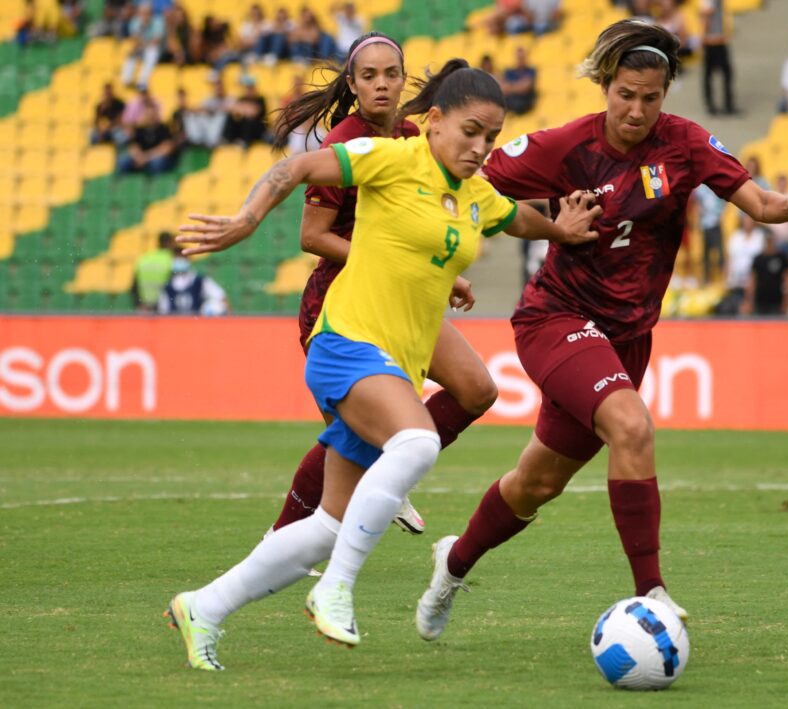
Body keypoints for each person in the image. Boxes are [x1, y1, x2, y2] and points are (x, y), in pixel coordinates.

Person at [413, 20, 788, 644]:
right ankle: (653, 596)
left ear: (665, 94)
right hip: (556, 317)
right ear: (605, 86)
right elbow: (469, 182)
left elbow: (757, 201)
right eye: (625, 94)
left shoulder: (686, 145)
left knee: (537, 483)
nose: (636, 109)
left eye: (650, 97)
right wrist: (457, 249)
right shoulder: (564, 146)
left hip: (627, 337)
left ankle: (452, 564)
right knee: (633, 425)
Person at [164, 57, 601, 670]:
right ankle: (335, 588)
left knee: (326, 525)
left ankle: (202, 607)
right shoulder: (389, 158)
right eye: (470, 131)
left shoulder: (474, 193)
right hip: (345, 344)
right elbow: (295, 167)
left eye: (491, 137)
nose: (480, 148)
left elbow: (513, 216)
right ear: (435, 122)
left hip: (396, 361)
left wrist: (562, 229)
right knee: (418, 441)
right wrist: (245, 218)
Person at [262, 33, 506, 538]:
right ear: (352, 84)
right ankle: (283, 534)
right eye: (368, 76)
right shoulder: (344, 142)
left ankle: (388, 461)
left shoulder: (415, 134)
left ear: (402, 78)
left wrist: (441, 270)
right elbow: (313, 236)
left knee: (476, 390)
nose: (381, 84)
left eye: (390, 74)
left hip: (403, 296)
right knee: (351, 433)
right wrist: (394, 261)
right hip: (344, 298)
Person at [157, 248, 229, 315]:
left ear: (188, 259)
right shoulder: (168, 285)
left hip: (197, 324)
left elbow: (221, 297)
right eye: (176, 258)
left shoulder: (200, 280)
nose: (178, 261)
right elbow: (163, 311)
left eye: (181, 258)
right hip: (175, 325)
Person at [718, 212, 764, 315]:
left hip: (753, 284)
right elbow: (729, 259)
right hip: (736, 283)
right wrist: (726, 279)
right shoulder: (735, 237)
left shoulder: (760, 237)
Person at [116, 102, 178, 175]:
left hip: (156, 159)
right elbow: (134, 147)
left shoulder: (164, 129)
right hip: (142, 159)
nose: (150, 116)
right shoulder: (140, 130)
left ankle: (154, 183)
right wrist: (138, 158)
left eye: (152, 113)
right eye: (148, 113)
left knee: (157, 163)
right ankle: (125, 184)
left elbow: (167, 149)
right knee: (123, 162)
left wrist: (146, 158)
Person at [741, 230, 788, 316]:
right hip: (760, 299)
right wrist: (748, 301)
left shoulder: (781, 258)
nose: (769, 243)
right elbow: (752, 281)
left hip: (777, 300)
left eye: (771, 240)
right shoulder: (758, 259)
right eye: (767, 240)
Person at [700, 0, 735, 114]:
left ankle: (715, 105)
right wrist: (705, 36)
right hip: (714, 40)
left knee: (712, 74)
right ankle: (721, 105)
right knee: (722, 73)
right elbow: (707, 13)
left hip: (716, 39)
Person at [120, 2, 165, 89]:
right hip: (142, 48)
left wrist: (143, 44)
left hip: (157, 50)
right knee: (131, 53)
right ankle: (126, 80)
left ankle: (142, 81)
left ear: (151, 13)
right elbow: (135, 40)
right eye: (143, 13)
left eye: (148, 13)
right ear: (139, 13)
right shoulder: (135, 22)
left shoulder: (159, 22)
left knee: (152, 52)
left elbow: (156, 41)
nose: (145, 16)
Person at [131, 231, 174, 312]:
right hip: (163, 307)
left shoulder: (145, 257)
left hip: (144, 306)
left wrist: (139, 303)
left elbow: (134, 284)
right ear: (169, 243)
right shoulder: (171, 259)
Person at [223, 74, 267, 146]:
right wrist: (245, 108)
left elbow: (253, 112)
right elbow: (230, 108)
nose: (248, 90)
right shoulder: (242, 98)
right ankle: (228, 139)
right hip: (243, 126)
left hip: (258, 129)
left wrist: (241, 108)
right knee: (231, 117)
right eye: (247, 87)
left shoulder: (260, 99)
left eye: (250, 87)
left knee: (248, 120)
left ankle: (245, 141)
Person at [502, 46, 538, 115]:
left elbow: (525, 87)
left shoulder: (531, 70)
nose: (520, 60)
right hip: (511, 104)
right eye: (518, 58)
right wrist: (519, 86)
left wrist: (511, 87)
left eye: (522, 58)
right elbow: (503, 89)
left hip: (525, 104)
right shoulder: (509, 72)